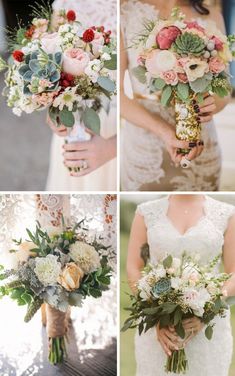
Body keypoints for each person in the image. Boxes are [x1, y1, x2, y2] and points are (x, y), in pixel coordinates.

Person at [120, 0, 230, 191]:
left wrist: (213, 103)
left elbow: (225, 88)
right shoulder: (126, 11)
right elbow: (117, 96)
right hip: (145, 148)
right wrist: (164, 131)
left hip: (199, 142)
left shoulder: (212, 14)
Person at [127, 194, 235, 375]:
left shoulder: (227, 213)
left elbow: (233, 272)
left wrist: (208, 310)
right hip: (159, 331)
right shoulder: (146, 212)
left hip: (208, 331)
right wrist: (156, 316)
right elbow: (133, 267)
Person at [46, 0, 117, 190]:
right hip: (74, 126)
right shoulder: (65, 3)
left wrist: (112, 147)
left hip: (122, 128)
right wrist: (53, 109)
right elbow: (52, 65)